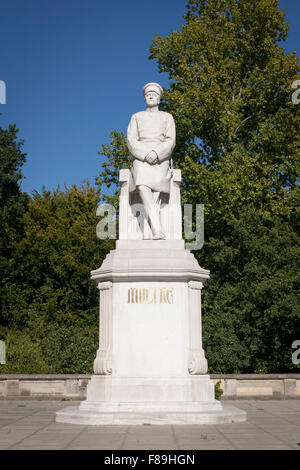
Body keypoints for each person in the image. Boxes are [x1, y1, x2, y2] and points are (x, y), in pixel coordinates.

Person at [126, 82, 176, 239]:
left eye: (154, 94)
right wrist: (145, 153)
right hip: (141, 158)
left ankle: (153, 230)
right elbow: (131, 140)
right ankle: (157, 229)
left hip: (160, 159)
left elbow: (170, 140)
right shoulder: (136, 117)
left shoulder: (167, 117)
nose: (150, 96)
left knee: (157, 185)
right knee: (141, 183)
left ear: (159, 99)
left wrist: (156, 153)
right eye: (148, 95)